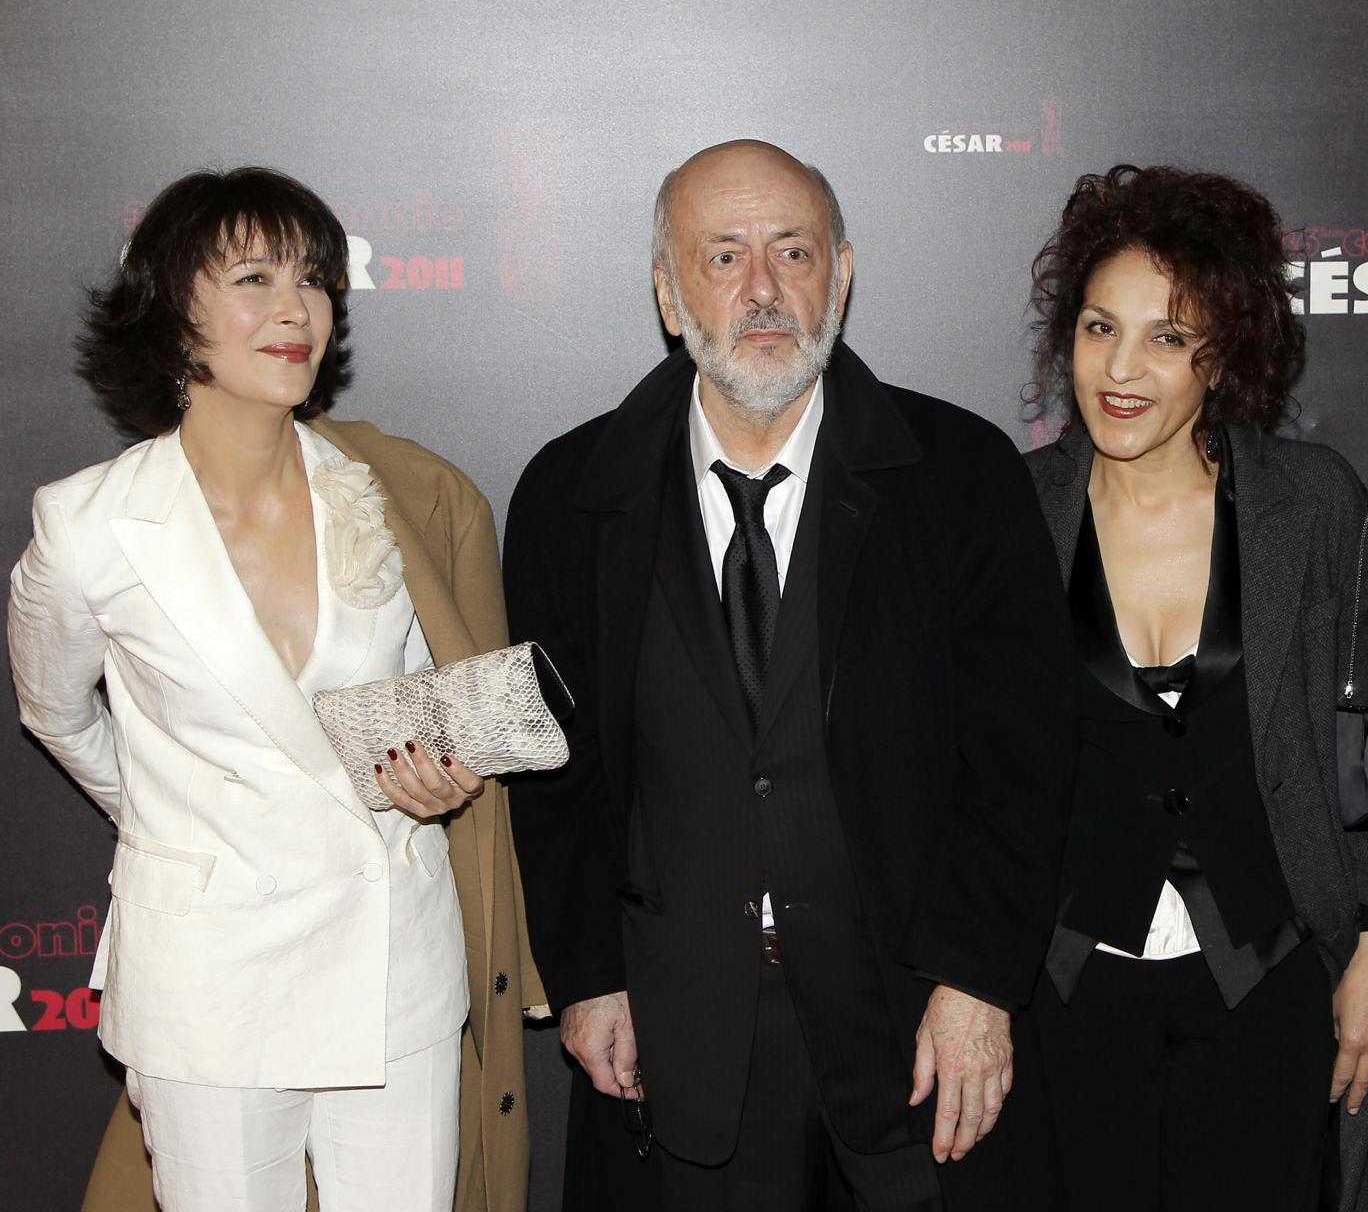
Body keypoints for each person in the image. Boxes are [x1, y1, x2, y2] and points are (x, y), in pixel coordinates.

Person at [503, 139, 1077, 1212]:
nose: (761, 289)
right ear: (670, 296)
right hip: (682, 1037)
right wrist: (584, 977)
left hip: (913, 1024)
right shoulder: (570, 494)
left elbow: (1024, 761)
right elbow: (557, 784)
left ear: (842, 278)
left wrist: (978, 981)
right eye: (722, 257)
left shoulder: (959, 477)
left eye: (793, 252)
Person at [9, 166, 547, 1212]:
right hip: (211, 977)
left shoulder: (391, 492)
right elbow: (55, 712)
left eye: (313, 278)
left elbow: (406, 709)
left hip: (394, 956)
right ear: (174, 314)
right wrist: (180, 821)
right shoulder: (89, 526)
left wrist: (426, 781)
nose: (296, 307)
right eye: (253, 277)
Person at [1020, 164, 1368, 1211]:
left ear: (1225, 352)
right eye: (1100, 327)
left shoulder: (1318, 505)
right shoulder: (1010, 515)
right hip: (1062, 979)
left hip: (1271, 974)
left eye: (1168, 336)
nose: (1121, 368)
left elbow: (1366, 745)